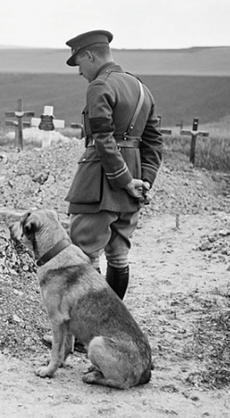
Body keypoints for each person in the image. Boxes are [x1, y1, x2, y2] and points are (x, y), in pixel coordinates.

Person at [64, 30, 163, 300]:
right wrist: (144, 182)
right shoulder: (142, 88)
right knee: (119, 256)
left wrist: (122, 179)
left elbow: (102, 136)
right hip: (132, 186)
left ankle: (86, 335)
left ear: (89, 55)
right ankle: (110, 328)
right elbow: (154, 142)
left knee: (85, 253)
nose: (79, 71)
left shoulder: (99, 86)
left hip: (99, 182)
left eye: (79, 63)